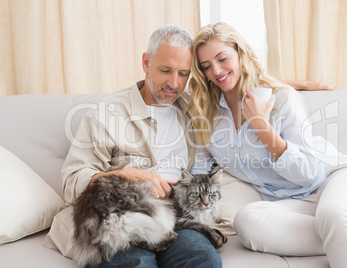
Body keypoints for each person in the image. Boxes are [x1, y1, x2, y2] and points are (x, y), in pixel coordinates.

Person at [187, 21, 347, 268]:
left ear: (240, 53)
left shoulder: (281, 99)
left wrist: (264, 130)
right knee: (247, 220)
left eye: (222, 58)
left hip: (340, 179)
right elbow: (200, 171)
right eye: (206, 66)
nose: (216, 70)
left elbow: (310, 175)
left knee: (333, 214)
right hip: (294, 204)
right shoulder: (207, 115)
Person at [45, 25, 221, 268]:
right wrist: (125, 175)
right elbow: (72, 183)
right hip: (120, 215)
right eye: (165, 70)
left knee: (204, 260)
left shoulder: (192, 110)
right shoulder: (107, 114)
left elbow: (236, 86)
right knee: (136, 263)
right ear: (146, 62)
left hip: (177, 215)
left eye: (183, 73)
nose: (174, 83)